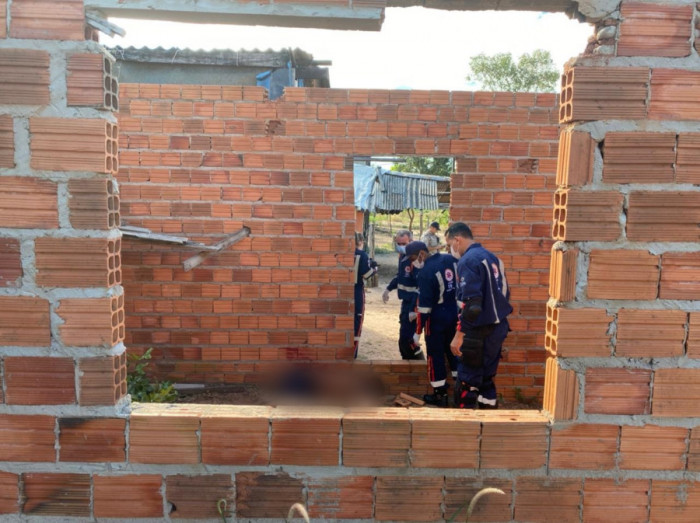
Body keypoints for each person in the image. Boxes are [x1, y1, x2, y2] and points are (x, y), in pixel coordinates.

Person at [446, 222, 513, 409]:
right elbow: (505, 294)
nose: (450, 249)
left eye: (449, 244)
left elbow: (472, 306)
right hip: (498, 329)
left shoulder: (468, 261)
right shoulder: (493, 258)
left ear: (457, 240)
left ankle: (463, 430)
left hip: (478, 332)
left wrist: (459, 335)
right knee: (487, 380)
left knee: (468, 381)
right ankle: (489, 422)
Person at [406, 241, 459, 407]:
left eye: (414, 258)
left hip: (436, 318)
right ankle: (461, 392)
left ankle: (440, 394)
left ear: (422, 253)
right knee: (455, 352)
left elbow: (424, 308)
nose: (413, 262)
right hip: (455, 314)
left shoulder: (426, 272)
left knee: (435, 355)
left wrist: (417, 332)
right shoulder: (450, 259)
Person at [382, 229, 424, 360]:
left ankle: (418, 366)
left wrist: (413, 310)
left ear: (411, 241)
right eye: (398, 243)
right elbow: (400, 277)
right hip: (405, 303)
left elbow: (420, 287)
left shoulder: (416, 260)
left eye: (404, 243)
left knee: (407, 340)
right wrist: (388, 289)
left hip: (413, 304)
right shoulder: (402, 257)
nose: (401, 246)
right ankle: (409, 364)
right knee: (404, 340)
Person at [353, 232, 378, 358]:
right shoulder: (361, 255)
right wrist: (374, 268)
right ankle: (353, 354)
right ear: (360, 241)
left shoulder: (340, 252)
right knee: (356, 322)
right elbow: (367, 275)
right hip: (356, 291)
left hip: (341, 292)